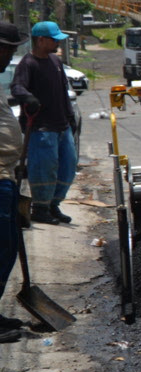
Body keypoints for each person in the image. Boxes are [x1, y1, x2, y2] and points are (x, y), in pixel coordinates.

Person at [11, 21, 77, 226]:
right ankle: (40, 207)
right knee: (44, 169)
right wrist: (28, 98)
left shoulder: (55, 62)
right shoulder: (28, 64)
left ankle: (53, 204)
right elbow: (17, 87)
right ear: (41, 40)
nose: (58, 43)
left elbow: (63, 90)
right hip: (41, 128)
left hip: (61, 126)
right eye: (54, 39)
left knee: (68, 166)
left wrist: (70, 116)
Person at [0, 23, 28, 333]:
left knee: (7, 246)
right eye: (6, 49)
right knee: (2, 246)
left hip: (6, 174)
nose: (9, 56)